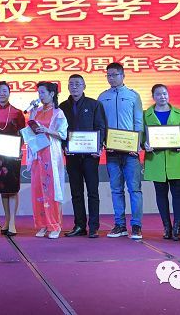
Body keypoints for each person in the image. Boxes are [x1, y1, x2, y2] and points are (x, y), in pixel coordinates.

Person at [98, 62, 144, 239]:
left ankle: (136, 226)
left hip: (131, 152)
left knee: (134, 189)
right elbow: (100, 124)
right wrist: (101, 142)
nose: (111, 78)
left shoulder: (133, 96)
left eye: (114, 75)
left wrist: (137, 144)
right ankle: (119, 225)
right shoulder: (102, 97)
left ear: (123, 75)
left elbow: (138, 122)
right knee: (116, 190)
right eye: (108, 75)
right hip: (111, 152)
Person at [143, 84, 180, 241]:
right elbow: (142, 135)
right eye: (158, 94)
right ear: (153, 96)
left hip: (176, 159)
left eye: (164, 93)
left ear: (168, 95)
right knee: (161, 195)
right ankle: (166, 227)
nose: (162, 96)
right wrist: (144, 144)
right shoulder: (146, 114)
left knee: (178, 194)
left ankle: (177, 227)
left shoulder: (178, 113)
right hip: (156, 160)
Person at [59, 74, 106, 238]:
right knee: (76, 192)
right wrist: (64, 146)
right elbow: (60, 130)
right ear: (68, 87)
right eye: (71, 84)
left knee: (92, 192)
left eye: (78, 84)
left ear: (84, 86)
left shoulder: (94, 104)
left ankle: (93, 226)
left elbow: (101, 127)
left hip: (90, 156)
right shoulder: (62, 107)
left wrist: (98, 146)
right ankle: (79, 225)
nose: (74, 87)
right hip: (72, 156)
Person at [29, 81, 68, 239]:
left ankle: (54, 225)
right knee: (37, 189)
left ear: (52, 94)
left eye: (43, 92)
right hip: (37, 153)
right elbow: (30, 130)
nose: (40, 95)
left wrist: (47, 130)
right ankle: (42, 224)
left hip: (51, 153)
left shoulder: (58, 113)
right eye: (39, 92)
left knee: (51, 190)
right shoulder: (36, 111)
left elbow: (63, 134)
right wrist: (31, 115)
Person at [0, 81, 26, 236]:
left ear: (9, 92)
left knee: (13, 188)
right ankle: (6, 220)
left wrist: (20, 149)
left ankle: (12, 223)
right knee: (3, 189)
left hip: (13, 156)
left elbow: (23, 134)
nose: (2, 93)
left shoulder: (17, 113)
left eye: (4, 90)